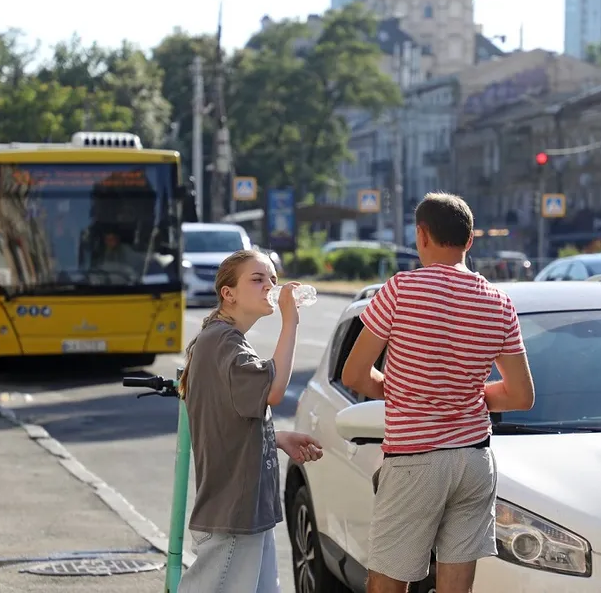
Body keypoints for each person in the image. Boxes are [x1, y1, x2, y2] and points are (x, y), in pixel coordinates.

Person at [342, 192, 535, 593]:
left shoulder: (400, 290)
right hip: (474, 461)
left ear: (421, 235)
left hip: (414, 459)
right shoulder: (499, 303)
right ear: (469, 241)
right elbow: (520, 396)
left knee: (387, 583)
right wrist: (463, 397)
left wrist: (401, 392)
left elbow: (355, 374)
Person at [177, 248, 324, 593]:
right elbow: (273, 390)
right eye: (257, 279)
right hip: (233, 513)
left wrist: (277, 437)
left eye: (272, 278)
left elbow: (231, 420)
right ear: (228, 294)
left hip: (248, 512)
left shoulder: (223, 339)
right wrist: (291, 322)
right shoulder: (223, 341)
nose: (269, 286)